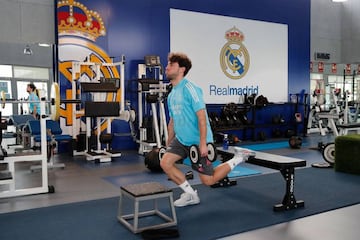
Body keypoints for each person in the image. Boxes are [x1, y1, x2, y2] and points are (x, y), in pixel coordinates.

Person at [160, 52, 250, 207]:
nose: (166, 67)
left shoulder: (190, 88)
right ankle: (190, 194)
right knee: (165, 163)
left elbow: (202, 117)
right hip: (181, 140)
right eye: (167, 64)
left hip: (198, 140)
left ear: (182, 69)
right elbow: (172, 121)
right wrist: (169, 142)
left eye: (171, 65)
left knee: (208, 180)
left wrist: (203, 143)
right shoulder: (171, 94)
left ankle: (238, 158)